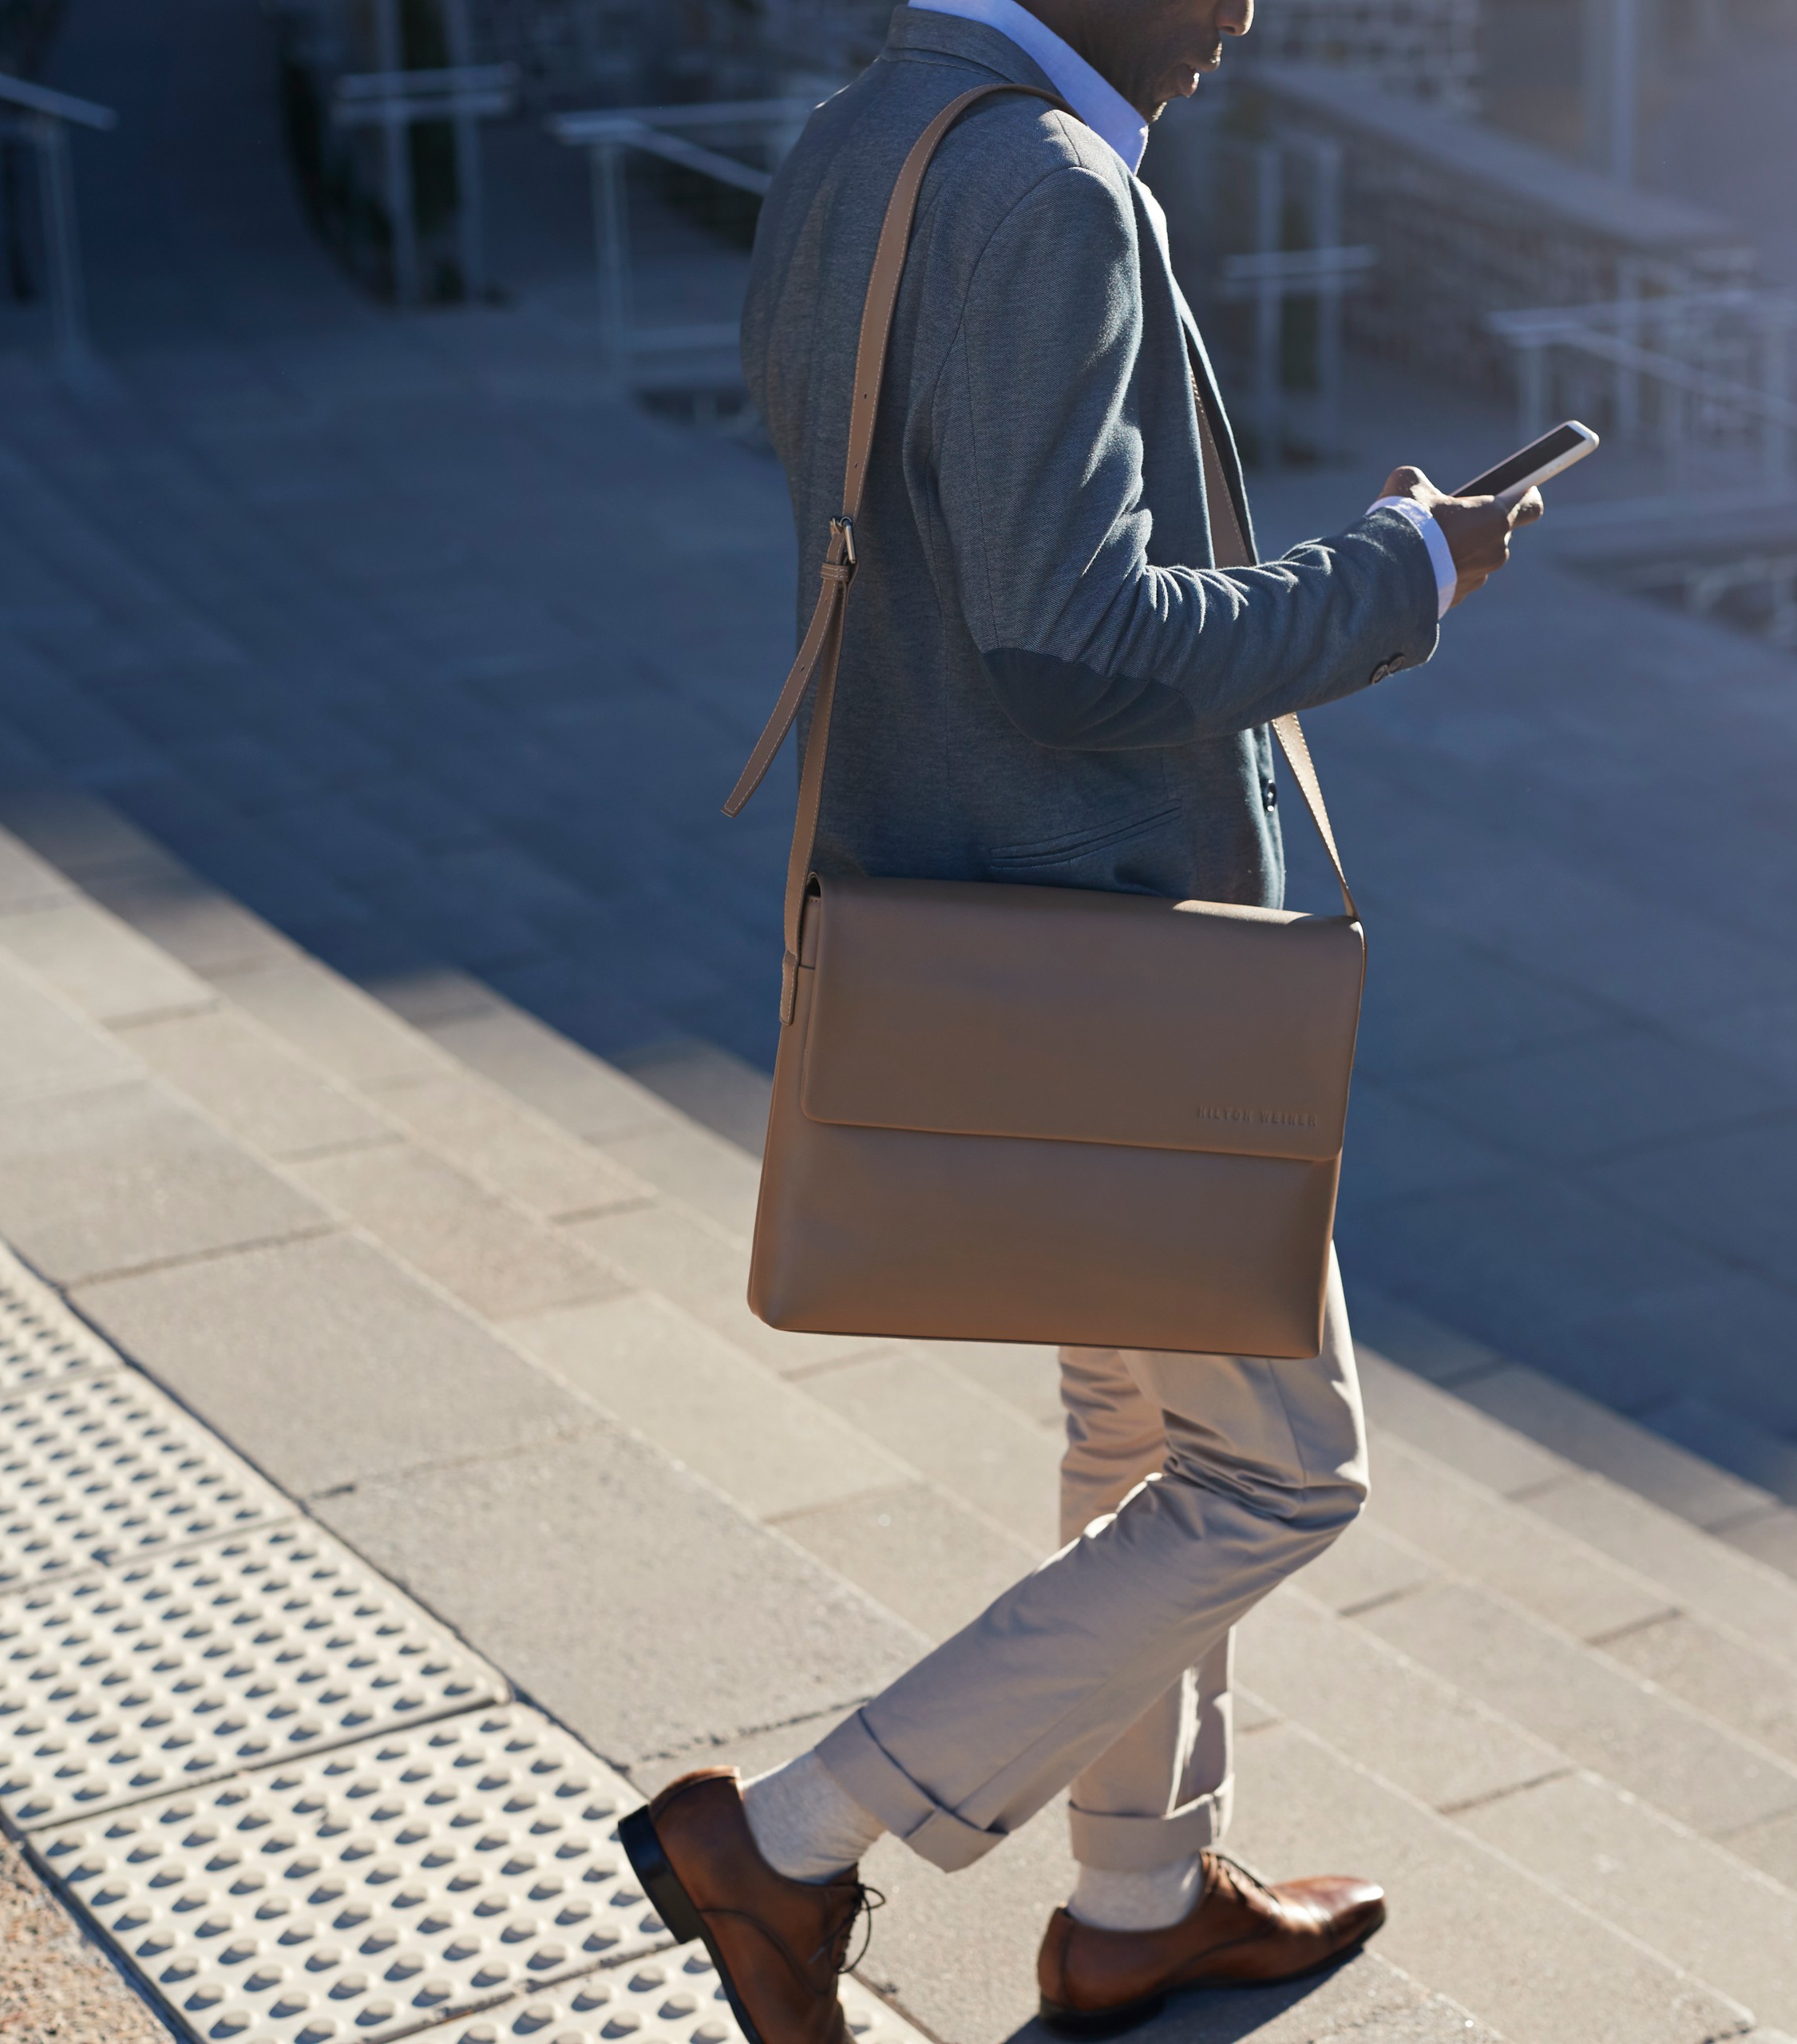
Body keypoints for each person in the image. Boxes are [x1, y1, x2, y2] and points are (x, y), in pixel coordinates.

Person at [620, 0, 1539, 2036]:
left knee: (1134, 1422)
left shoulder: (874, 124)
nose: (1243, 15)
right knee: (1283, 1473)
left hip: (976, 910)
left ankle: (1136, 1898)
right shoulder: (1045, 185)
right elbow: (1066, 633)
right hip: (1113, 949)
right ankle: (781, 1837)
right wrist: (1400, 572)